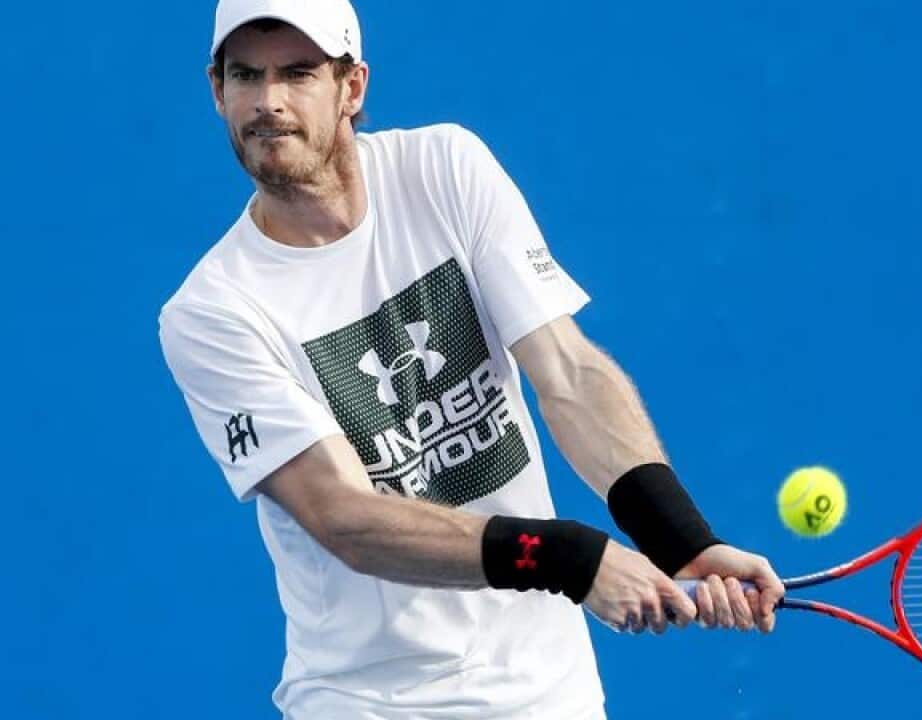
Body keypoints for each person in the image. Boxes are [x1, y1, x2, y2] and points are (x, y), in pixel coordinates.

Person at [158, 1, 785, 718]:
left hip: (550, 692)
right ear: (218, 92)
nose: (268, 101)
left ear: (352, 88)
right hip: (372, 703)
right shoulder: (212, 312)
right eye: (246, 75)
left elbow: (568, 375)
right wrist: (568, 559)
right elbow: (343, 516)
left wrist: (683, 540)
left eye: (298, 73)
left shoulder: (445, 168)